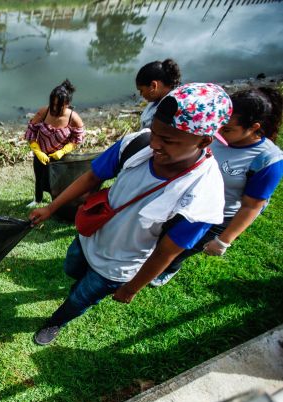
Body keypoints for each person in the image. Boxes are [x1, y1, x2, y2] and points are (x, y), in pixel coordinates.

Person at [29, 83, 232, 346]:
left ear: (204, 141)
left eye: (168, 140)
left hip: (118, 265)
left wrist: (132, 288)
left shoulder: (204, 196)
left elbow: (166, 252)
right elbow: (92, 177)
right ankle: (79, 284)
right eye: (156, 132)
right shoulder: (138, 143)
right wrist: (50, 207)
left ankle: (56, 321)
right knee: (72, 268)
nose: (155, 144)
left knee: (80, 299)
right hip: (90, 236)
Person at [151, 86, 283, 286]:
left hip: (214, 216)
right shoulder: (212, 131)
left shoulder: (267, 159)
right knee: (161, 236)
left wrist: (224, 240)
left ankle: (169, 268)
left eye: (227, 129)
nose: (218, 132)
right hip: (183, 200)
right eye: (219, 125)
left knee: (182, 246)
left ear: (254, 127)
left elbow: (251, 206)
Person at [24, 79, 85, 208]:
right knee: (40, 178)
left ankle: (57, 203)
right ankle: (38, 200)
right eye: (53, 104)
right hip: (42, 153)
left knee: (59, 181)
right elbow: (31, 132)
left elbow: (77, 139)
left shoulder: (73, 118)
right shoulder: (43, 112)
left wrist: (62, 151)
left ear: (67, 104)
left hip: (60, 157)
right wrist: (37, 151)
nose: (55, 108)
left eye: (59, 105)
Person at [136, 59, 182, 129]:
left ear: (154, 86)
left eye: (141, 90)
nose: (141, 94)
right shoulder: (160, 98)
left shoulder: (168, 110)